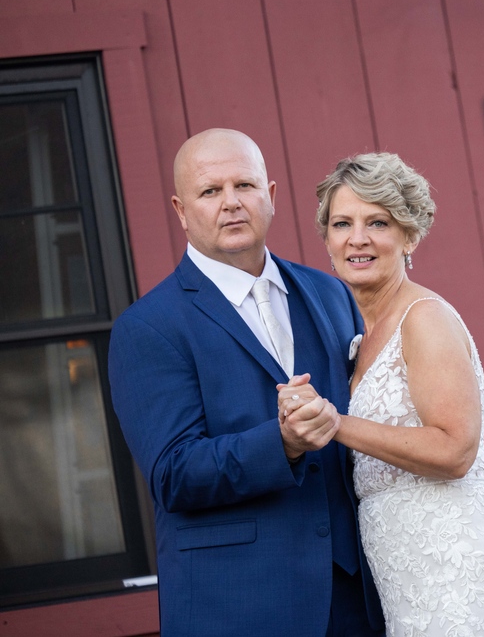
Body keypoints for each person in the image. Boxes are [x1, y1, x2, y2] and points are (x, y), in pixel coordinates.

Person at [278, 152, 484, 636]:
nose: (358, 238)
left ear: (409, 235)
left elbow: (456, 450)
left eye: (378, 222)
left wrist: (334, 422)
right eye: (342, 223)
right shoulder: (359, 340)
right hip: (408, 584)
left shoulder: (425, 318)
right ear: (327, 240)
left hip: (464, 570)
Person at [108, 129, 384, 636]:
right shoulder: (148, 328)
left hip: (355, 600)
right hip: (239, 607)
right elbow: (173, 473)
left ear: (271, 196)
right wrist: (281, 444)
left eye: (245, 186)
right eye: (210, 191)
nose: (231, 203)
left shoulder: (330, 293)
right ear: (180, 209)